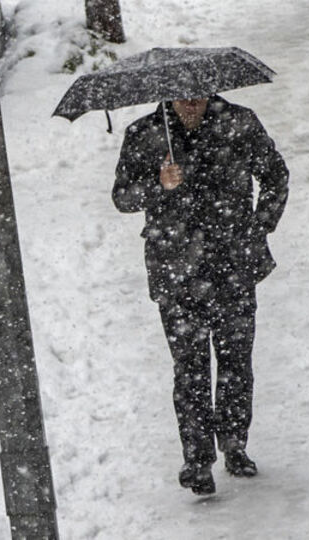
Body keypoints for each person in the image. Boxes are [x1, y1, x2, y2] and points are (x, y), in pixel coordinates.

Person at [113, 96, 288, 495]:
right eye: (182, 98)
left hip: (233, 264)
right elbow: (122, 197)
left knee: (235, 360)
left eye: (198, 97)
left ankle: (234, 443)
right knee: (189, 367)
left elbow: (275, 175)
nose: (190, 105)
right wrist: (158, 184)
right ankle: (197, 459)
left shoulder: (239, 123)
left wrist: (259, 226)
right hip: (175, 269)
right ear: (167, 97)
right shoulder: (144, 134)